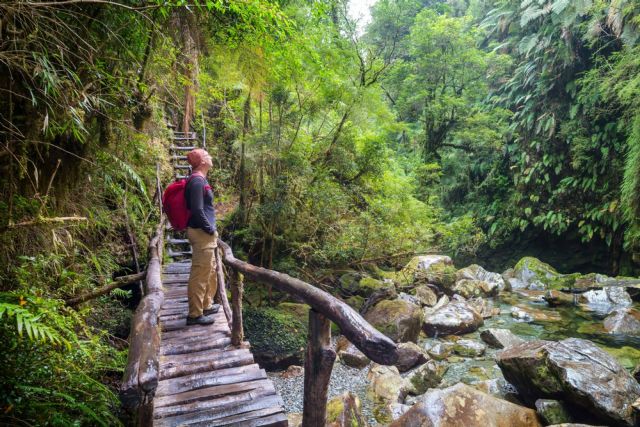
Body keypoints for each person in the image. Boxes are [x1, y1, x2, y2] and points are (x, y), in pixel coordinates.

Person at [184, 148, 219, 325]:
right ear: (202, 162)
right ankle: (194, 314)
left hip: (204, 233)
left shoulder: (200, 179)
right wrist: (209, 229)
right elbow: (197, 210)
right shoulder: (197, 181)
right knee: (200, 273)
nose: (210, 157)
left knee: (209, 270)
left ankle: (206, 304)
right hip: (202, 233)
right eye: (207, 155)